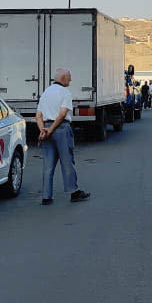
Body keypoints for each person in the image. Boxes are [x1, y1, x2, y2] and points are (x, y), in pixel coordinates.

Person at [36, 69, 90, 205]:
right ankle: (74, 192)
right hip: (61, 128)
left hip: (46, 127)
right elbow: (62, 114)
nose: (70, 80)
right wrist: (52, 129)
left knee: (48, 164)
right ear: (63, 77)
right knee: (67, 161)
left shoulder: (46, 92)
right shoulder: (65, 92)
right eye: (69, 77)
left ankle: (46, 196)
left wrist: (43, 130)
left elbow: (38, 115)